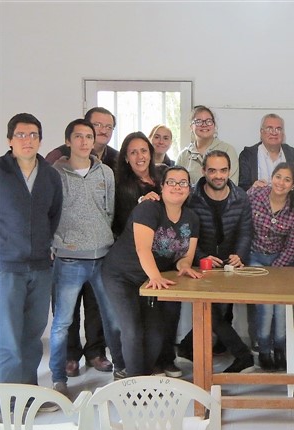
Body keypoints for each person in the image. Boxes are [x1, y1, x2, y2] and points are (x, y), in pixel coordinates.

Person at [102, 166, 201, 377]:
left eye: (183, 183)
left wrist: (185, 266)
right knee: (132, 331)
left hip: (150, 280)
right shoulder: (148, 209)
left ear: (189, 189)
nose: (177, 187)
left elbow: (185, 257)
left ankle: (144, 377)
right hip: (122, 275)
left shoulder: (192, 218)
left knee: (156, 333)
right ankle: (134, 385)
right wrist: (155, 276)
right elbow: (142, 249)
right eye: (171, 182)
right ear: (162, 187)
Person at [48, 119, 121, 397]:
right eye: (78, 136)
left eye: (88, 136)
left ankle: (121, 370)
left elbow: (109, 211)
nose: (84, 141)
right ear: (68, 141)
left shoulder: (106, 173)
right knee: (62, 323)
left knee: (111, 319)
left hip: (102, 257)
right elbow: (50, 211)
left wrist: (101, 236)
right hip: (68, 259)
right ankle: (58, 377)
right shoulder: (55, 173)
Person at [0, 113, 62, 408]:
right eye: (21, 135)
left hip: (40, 266)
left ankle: (29, 396)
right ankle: (7, 403)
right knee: (8, 339)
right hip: (6, 267)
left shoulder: (50, 175)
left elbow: (53, 215)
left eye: (33, 135)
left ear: (40, 140)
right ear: (9, 140)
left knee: (32, 336)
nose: (28, 140)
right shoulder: (0, 172)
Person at [180, 150, 255, 373]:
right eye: (212, 170)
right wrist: (200, 256)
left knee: (221, 312)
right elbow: (185, 232)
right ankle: (243, 355)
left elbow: (246, 230)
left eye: (223, 170)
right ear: (204, 171)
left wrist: (240, 254)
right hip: (200, 263)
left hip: (229, 264)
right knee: (209, 310)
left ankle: (186, 348)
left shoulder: (240, 197)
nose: (218, 175)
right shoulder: (191, 198)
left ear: (229, 171)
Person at [247, 163, 294, 371]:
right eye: (278, 177)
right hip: (255, 257)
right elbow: (242, 223)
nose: (281, 183)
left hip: (282, 263)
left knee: (280, 309)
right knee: (265, 307)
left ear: (293, 185)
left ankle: (280, 349)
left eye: (287, 180)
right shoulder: (255, 196)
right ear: (271, 178)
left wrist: (275, 269)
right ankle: (264, 351)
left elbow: (292, 246)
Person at [112, 132, 162, 238]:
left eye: (144, 151)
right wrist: (142, 205)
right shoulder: (120, 187)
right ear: (126, 158)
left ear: (150, 153)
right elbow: (122, 225)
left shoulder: (164, 173)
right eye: (133, 153)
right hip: (138, 242)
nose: (140, 156)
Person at [176, 105, 238, 185]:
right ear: (191, 126)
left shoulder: (228, 150)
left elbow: (232, 186)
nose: (204, 125)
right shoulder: (183, 156)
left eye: (208, 121)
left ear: (214, 125)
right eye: (198, 121)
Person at [45, 107, 119, 170]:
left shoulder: (117, 157)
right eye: (97, 125)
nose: (103, 131)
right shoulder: (58, 155)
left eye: (109, 127)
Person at [238, 113, 294, 191]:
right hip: (257, 198)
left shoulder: (293, 154)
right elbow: (242, 188)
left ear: (283, 134)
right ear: (261, 132)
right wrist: (252, 188)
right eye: (269, 128)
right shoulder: (247, 155)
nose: (274, 133)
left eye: (278, 129)